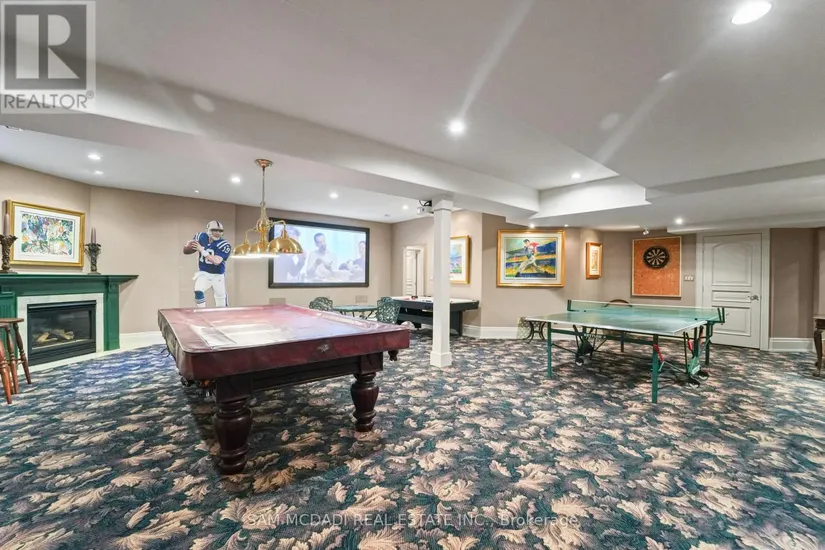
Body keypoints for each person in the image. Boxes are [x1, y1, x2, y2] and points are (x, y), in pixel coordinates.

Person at [183, 220, 231, 307]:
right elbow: (186, 250)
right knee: (198, 291)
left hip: (218, 275)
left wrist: (202, 250)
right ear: (207, 230)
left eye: (220, 231)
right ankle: (201, 311)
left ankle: (222, 313)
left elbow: (216, 261)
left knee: (220, 300)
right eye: (214, 230)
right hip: (204, 273)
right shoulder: (200, 237)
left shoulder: (224, 244)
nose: (217, 233)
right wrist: (188, 246)